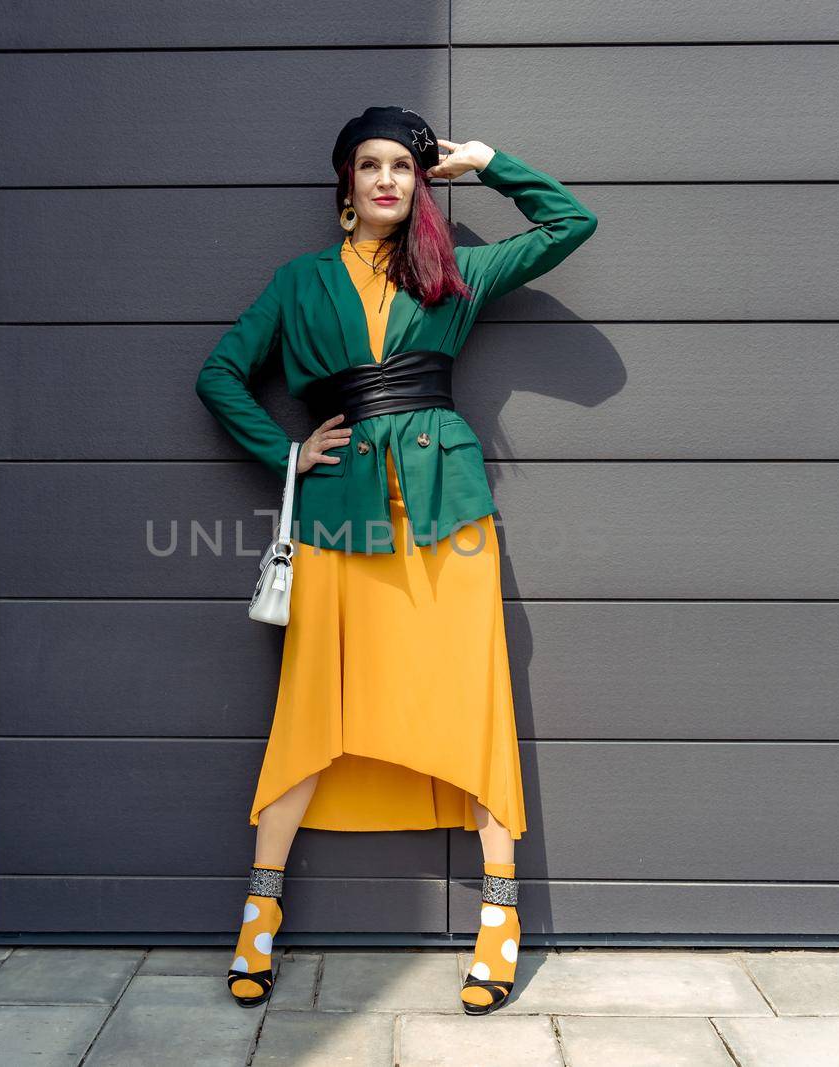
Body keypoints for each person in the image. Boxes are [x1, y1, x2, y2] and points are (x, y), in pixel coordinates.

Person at [194, 105, 597, 1015]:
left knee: (473, 698)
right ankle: (259, 912)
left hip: (449, 515)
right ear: (345, 183)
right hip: (339, 522)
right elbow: (220, 372)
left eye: (403, 167)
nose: (386, 178)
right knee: (309, 705)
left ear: (420, 183)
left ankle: (501, 920)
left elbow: (572, 223)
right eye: (369, 165)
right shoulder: (299, 284)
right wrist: (285, 452)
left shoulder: (453, 271)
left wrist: (487, 162)